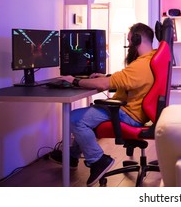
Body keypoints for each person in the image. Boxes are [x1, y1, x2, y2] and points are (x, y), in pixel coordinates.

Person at [50, 22, 156, 186]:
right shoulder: (152, 59)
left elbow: (104, 86)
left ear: (136, 40)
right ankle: (72, 156)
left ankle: (98, 160)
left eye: (129, 41)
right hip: (135, 111)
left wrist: (75, 81)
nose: (128, 46)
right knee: (88, 115)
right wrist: (105, 76)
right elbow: (127, 80)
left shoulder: (140, 65)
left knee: (75, 119)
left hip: (128, 114)